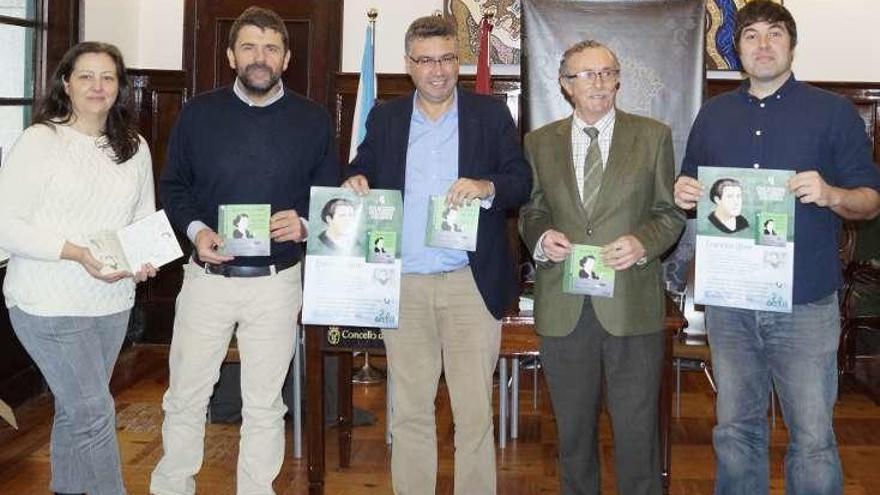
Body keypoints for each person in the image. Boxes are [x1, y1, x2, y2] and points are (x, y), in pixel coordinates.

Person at [673, 2, 880, 494]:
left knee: (811, 436)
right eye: (751, 37)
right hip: (731, 303)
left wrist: (831, 194)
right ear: (737, 48)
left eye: (774, 35)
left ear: (791, 44)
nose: (763, 46)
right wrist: (683, 193)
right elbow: (689, 187)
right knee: (735, 429)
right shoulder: (713, 114)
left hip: (805, 302)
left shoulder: (833, 112)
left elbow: (869, 201)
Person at [150, 6, 338, 495]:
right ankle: (173, 486)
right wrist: (196, 233)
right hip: (207, 279)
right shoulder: (198, 114)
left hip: (277, 284)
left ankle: (257, 489)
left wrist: (301, 223)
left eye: (271, 48)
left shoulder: (313, 120)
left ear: (287, 58)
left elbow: (330, 196)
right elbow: (173, 187)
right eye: (250, 47)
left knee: (264, 402)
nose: (261, 57)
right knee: (186, 395)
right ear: (232, 56)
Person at [342, 15, 531, 495]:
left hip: (469, 281)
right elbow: (362, 165)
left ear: (459, 62)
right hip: (403, 284)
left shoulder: (489, 115)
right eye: (425, 60)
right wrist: (356, 178)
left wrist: (487, 186)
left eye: (447, 58)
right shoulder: (385, 117)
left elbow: (520, 181)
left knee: (472, 415)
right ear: (409, 65)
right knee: (408, 412)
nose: (438, 70)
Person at [519, 40, 684, 495]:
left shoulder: (652, 135)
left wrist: (642, 243)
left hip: (631, 305)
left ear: (618, 79)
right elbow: (531, 210)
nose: (598, 82)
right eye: (585, 74)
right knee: (572, 436)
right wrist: (539, 236)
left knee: (637, 433)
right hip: (565, 307)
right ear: (566, 85)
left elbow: (669, 214)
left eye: (606, 72)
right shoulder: (539, 142)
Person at [0, 41, 156, 495]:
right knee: (94, 411)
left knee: (76, 411)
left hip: (110, 301)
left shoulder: (134, 146)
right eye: (86, 76)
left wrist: (142, 259)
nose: (97, 86)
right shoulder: (41, 140)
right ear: (65, 83)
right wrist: (77, 252)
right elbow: (6, 224)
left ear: (120, 88)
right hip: (46, 302)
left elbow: (142, 220)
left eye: (107, 77)